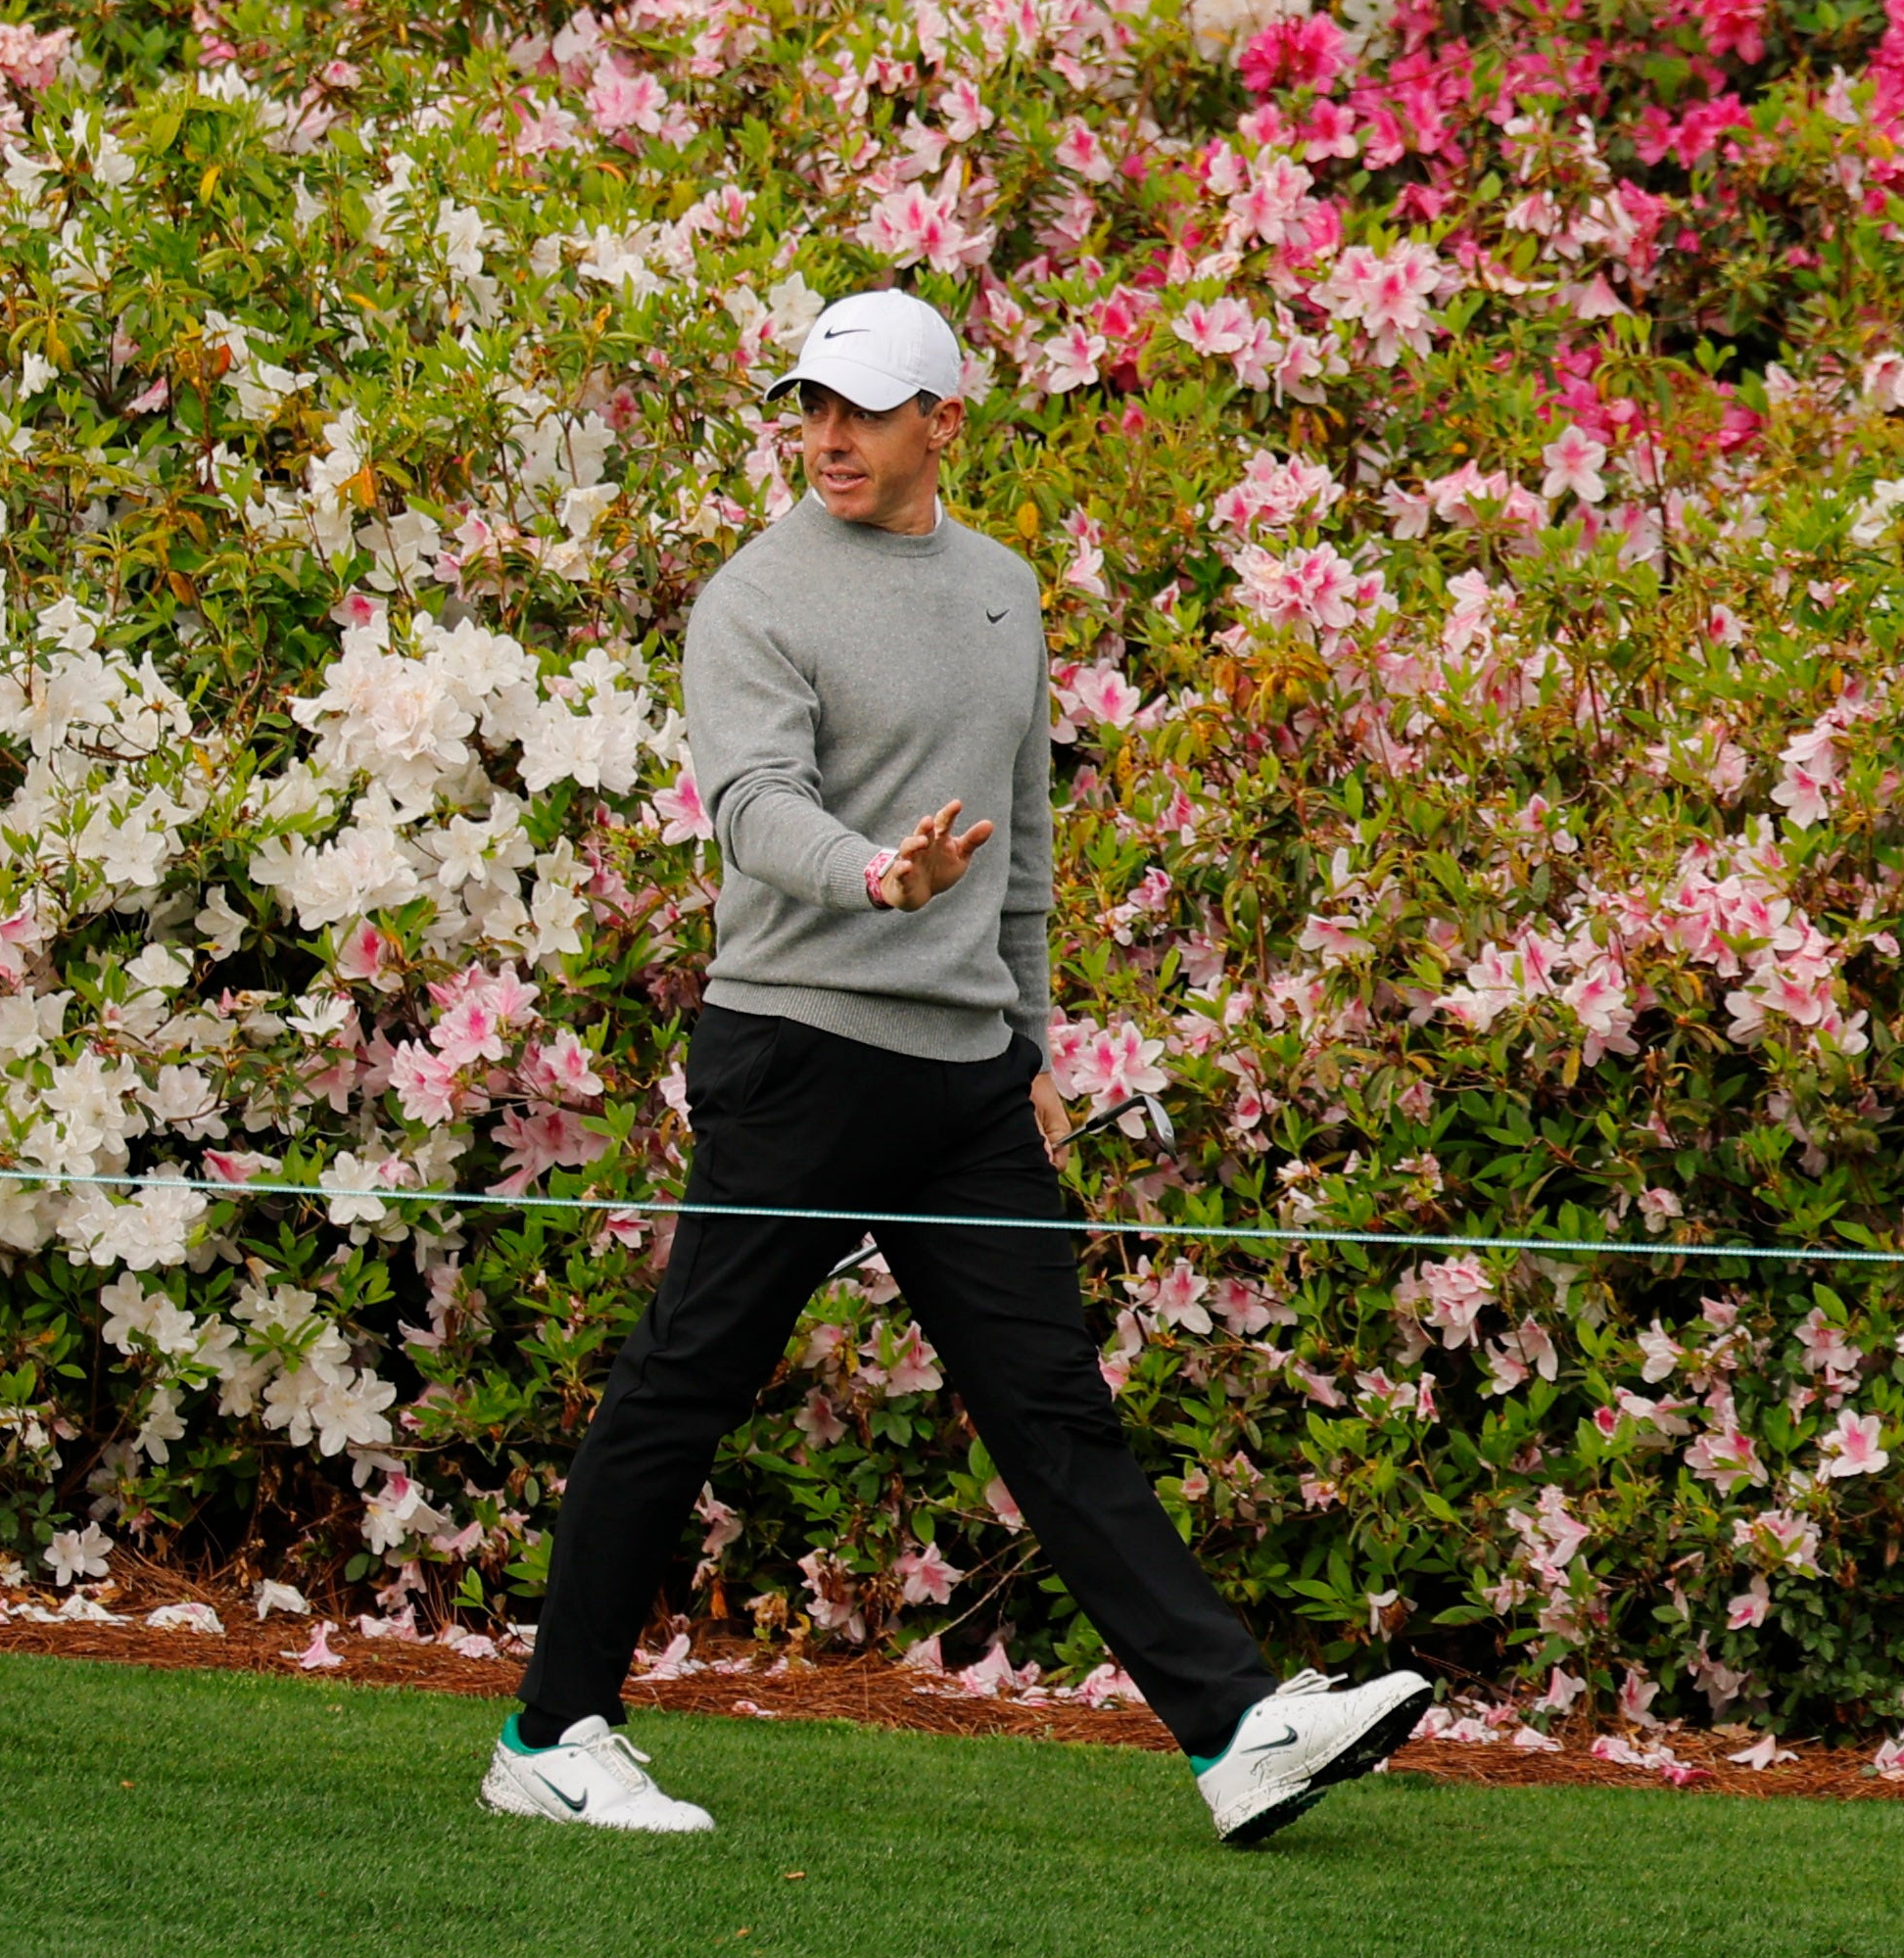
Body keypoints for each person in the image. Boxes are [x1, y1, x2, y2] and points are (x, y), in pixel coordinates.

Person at [486, 288, 1432, 1843]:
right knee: (680, 1388)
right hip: (794, 1052)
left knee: (1052, 1404)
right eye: (808, 405)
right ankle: (549, 1730)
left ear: (944, 420)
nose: (827, 436)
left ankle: (1233, 1732)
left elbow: (1027, 835)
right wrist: (876, 876)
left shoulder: (999, 589)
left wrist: (1030, 1034)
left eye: (861, 409)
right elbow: (751, 806)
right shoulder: (756, 596)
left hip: (959, 1078)